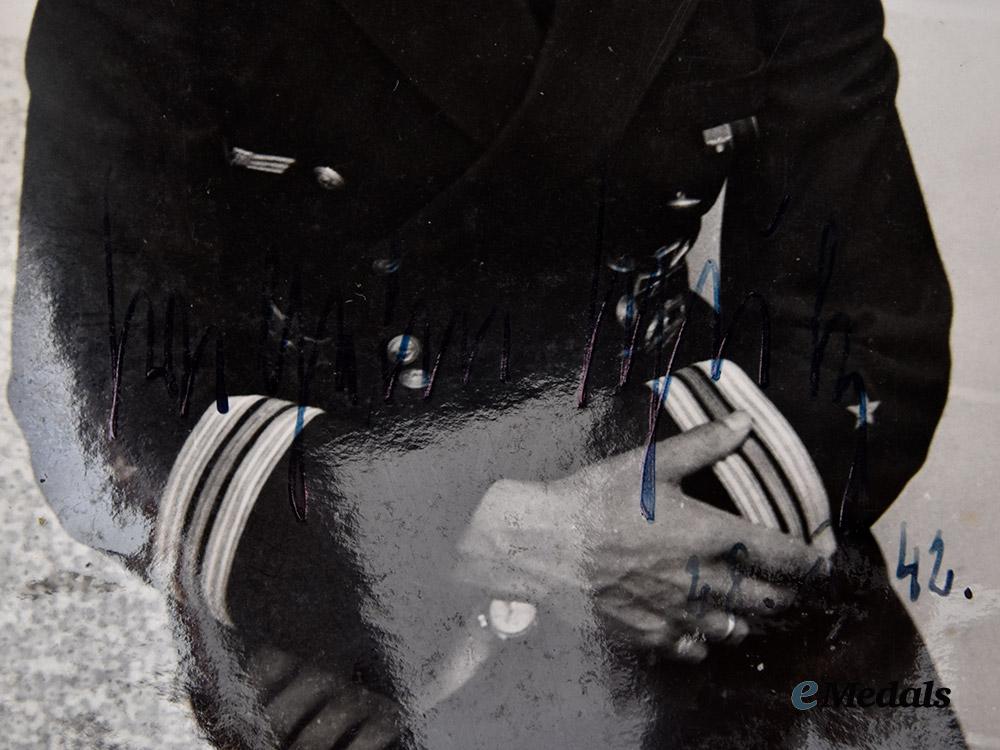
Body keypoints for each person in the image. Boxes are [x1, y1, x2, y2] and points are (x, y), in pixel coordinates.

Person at [10, 0, 965, 747]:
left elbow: (872, 335)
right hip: (351, 621)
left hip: (686, 550)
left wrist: (604, 543)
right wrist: (455, 551)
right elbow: (93, 378)